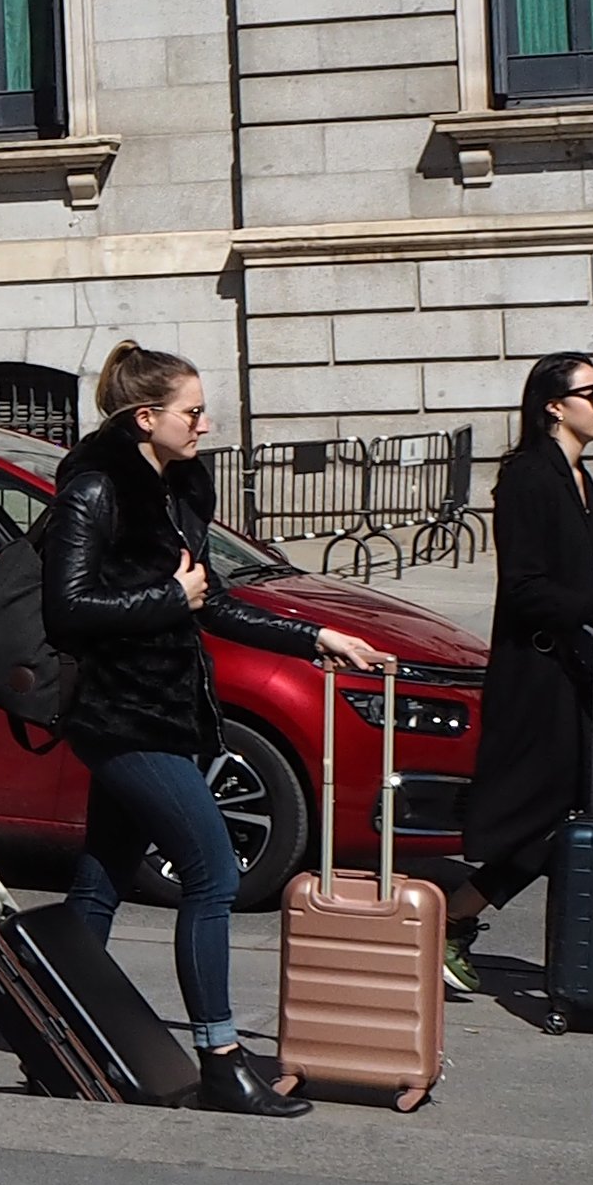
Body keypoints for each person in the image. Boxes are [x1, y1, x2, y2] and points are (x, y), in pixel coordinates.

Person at [36, 340, 386, 1118]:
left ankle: (64, 1041)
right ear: (145, 416)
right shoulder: (95, 490)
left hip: (168, 710)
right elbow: (69, 610)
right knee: (214, 873)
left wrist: (315, 638)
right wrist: (169, 596)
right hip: (123, 717)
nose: (205, 422)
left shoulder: (175, 489)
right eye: (192, 411)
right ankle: (221, 1059)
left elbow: (213, 601)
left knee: (98, 883)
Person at [447, 350, 593, 999]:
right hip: (546, 677)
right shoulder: (528, 476)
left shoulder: (578, 477)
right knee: (567, 815)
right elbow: (523, 586)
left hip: (591, 673)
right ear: (555, 404)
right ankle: (456, 920)